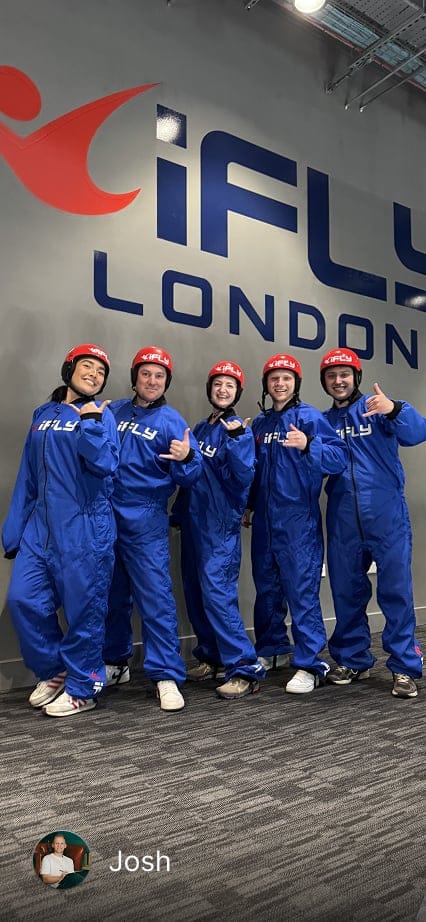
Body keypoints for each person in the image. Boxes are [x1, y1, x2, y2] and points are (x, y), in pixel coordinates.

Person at [2, 344, 119, 718]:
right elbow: (29, 476)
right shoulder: (43, 414)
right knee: (23, 599)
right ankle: (54, 671)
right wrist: (14, 531)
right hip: (41, 527)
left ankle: (84, 686)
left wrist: (90, 422)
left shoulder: (103, 414)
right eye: (88, 366)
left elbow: (104, 464)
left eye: (101, 371)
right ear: (69, 368)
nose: (94, 375)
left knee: (84, 611)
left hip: (85, 526)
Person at [320, 347, 425, 698]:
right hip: (343, 521)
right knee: (346, 593)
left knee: (395, 592)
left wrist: (394, 408)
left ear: (356, 378)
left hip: (387, 517)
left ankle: (404, 667)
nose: (338, 381)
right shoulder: (322, 422)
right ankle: (353, 660)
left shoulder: (378, 409)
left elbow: (417, 432)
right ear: (325, 382)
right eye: (332, 376)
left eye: (345, 374)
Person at [103, 346, 202, 712]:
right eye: (146, 374)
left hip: (146, 518)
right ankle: (114, 663)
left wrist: (187, 459)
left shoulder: (172, 421)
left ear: (166, 382)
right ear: (135, 377)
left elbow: (191, 476)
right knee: (111, 595)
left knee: (155, 600)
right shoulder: (112, 411)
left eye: (159, 376)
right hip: (107, 516)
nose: (152, 380)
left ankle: (165, 674)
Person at [245, 353, 348, 694]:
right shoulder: (260, 425)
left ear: (296, 383)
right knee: (268, 588)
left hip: (298, 522)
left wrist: (309, 445)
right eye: (274, 378)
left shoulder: (309, 418)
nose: (279, 383)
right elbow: (254, 472)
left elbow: (338, 458)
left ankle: (309, 662)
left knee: (301, 591)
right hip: (264, 521)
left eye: (286, 378)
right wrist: (248, 505)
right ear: (266, 384)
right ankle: (273, 648)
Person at [172, 361, 265, 700]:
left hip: (219, 526)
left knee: (217, 595)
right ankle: (211, 656)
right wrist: (180, 512)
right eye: (218, 384)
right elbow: (192, 477)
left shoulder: (237, 429)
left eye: (230, 385)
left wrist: (239, 440)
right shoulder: (200, 427)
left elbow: (243, 477)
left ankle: (244, 667)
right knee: (195, 592)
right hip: (195, 522)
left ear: (237, 392)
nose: (223, 390)